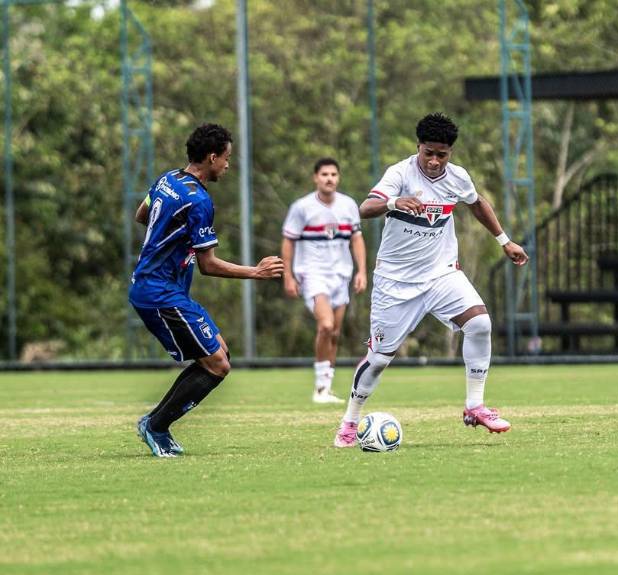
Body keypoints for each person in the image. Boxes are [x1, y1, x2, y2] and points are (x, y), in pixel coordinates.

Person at [332, 112, 529, 447]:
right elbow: (365, 208)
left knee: (480, 324)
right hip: (396, 283)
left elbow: (477, 203)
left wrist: (504, 241)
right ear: (418, 147)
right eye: (429, 153)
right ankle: (350, 422)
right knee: (379, 360)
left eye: (443, 154)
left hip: (440, 274)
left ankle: (475, 406)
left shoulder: (457, 177)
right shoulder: (400, 173)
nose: (435, 161)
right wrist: (396, 202)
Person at [129, 123, 284, 458]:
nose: (228, 165)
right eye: (226, 158)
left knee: (220, 356)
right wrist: (256, 272)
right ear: (212, 157)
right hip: (159, 292)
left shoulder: (167, 179)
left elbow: (142, 214)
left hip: (158, 287)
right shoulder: (199, 200)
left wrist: (168, 235)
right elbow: (208, 264)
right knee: (217, 365)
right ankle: (156, 426)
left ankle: (155, 423)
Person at [281, 158, 367, 404]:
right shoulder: (302, 207)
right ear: (315, 178)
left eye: (333, 174)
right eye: (324, 174)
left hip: (341, 274)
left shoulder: (349, 205)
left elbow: (356, 239)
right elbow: (288, 241)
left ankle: (326, 388)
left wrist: (362, 271)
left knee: (335, 332)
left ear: (338, 178)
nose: (329, 178)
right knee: (326, 325)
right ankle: (319, 389)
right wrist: (288, 275)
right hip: (312, 273)